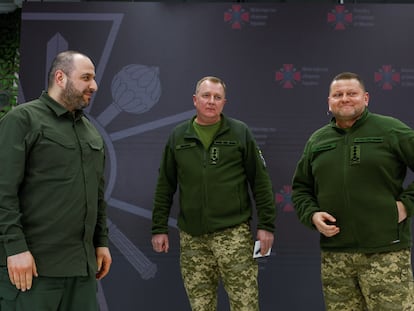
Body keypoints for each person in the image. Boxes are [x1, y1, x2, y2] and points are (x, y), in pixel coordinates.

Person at [151, 76, 276, 311]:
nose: (211, 101)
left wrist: (266, 225)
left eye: (217, 97)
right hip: (192, 238)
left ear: (224, 102)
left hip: (234, 235)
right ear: (195, 100)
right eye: (206, 96)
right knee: (200, 306)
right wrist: (158, 227)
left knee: (246, 305)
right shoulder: (179, 136)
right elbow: (165, 185)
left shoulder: (239, 132)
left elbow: (260, 181)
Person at [292, 71, 414, 311]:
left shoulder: (390, 130)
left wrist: (406, 205)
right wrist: (313, 215)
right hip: (336, 257)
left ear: (366, 98)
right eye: (338, 94)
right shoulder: (317, 141)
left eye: (352, 93)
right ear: (329, 101)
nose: (345, 98)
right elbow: (301, 189)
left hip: (385, 253)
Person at [0, 50, 112, 311]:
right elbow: (3, 190)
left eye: (93, 79)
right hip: (32, 271)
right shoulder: (22, 120)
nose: (93, 86)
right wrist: (15, 249)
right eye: (86, 78)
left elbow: (96, 195)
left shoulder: (91, 133)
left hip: (82, 273)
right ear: (60, 77)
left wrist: (101, 242)